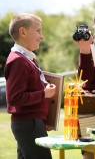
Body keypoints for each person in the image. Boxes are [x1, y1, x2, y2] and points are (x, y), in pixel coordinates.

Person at [5, 13, 56, 159]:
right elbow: (15, 98)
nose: (42, 36)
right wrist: (44, 94)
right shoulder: (18, 60)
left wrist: (42, 119)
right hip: (29, 124)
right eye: (38, 31)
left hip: (32, 122)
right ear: (23, 32)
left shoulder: (25, 58)